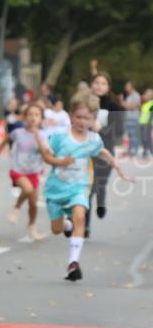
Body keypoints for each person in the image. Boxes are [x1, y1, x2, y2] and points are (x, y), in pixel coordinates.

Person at [36, 91, 129, 281]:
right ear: (71, 115)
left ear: (93, 119)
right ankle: (66, 224)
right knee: (56, 229)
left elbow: (101, 151)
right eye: (78, 117)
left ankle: (73, 264)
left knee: (80, 214)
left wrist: (117, 165)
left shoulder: (93, 140)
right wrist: (59, 161)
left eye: (86, 118)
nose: (81, 121)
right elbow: (47, 155)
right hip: (56, 189)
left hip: (78, 187)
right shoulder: (60, 136)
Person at [0, 103, 47, 241]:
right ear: (24, 118)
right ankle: (16, 207)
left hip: (34, 172)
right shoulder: (18, 132)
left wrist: (37, 136)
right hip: (18, 170)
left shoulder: (43, 135)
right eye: (30, 114)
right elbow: (5, 141)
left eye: (37, 115)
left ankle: (32, 226)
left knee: (33, 204)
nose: (33, 117)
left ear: (41, 119)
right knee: (27, 189)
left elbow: (45, 152)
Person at [86, 71, 123, 235]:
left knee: (99, 185)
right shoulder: (84, 103)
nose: (99, 86)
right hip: (86, 151)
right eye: (96, 83)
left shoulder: (113, 106)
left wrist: (103, 130)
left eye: (103, 83)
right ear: (91, 85)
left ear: (108, 87)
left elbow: (119, 131)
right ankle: (85, 225)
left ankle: (101, 202)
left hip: (105, 151)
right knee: (88, 188)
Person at [121, 80, 142, 157]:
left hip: (134, 118)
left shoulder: (136, 95)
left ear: (131, 87)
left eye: (127, 86)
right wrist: (125, 104)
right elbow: (127, 106)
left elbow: (131, 106)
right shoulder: (129, 96)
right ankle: (130, 150)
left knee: (134, 135)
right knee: (129, 135)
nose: (125, 87)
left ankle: (134, 151)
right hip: (128, 118)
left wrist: (124, 103)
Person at [140, 88, 153, 159]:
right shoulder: (145, 104)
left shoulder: (152, 104)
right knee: (143, 138)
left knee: (146, 138)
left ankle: (149, 151)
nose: (145, 96)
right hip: (142, 123)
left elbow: (151, 114)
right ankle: (145, 151)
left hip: (147, 124)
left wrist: (148, 123)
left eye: (146, 95)